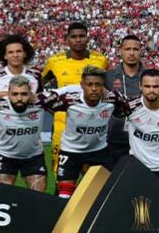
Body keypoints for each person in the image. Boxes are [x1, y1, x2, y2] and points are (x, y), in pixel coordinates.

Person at [41, 66, 127, 199]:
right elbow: (43, 102)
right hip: (71, 151)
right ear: (81, 85)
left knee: (109, 192)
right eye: (89, 84)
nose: (93, 88)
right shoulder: (69, 100)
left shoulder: (112, 99)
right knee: (64, 194)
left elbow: (126, 109)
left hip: (99, 151)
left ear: (103, 85)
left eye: (98, 85)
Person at [42, 22, 109, 174]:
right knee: (62, 176)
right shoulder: (54, 62)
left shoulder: (101, 60)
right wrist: (52, 106)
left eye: (81, 36)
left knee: (91, 177)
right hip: (63, 127)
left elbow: (107, 86)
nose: (78, 40)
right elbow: (42, 84)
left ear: (87, 38)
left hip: (91, 127)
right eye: (74, 37)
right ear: (67, 39)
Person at [0, 76, 47, 192]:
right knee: (3, 198)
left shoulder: (40, 103)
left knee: (38, 198)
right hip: (5, 156)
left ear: (30, 93)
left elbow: (70, 90)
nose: (19, 98)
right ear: (8, 94)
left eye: (24, 94)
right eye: (15, 94)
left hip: (33, 157)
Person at [0, 34, 42, 146]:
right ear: (5, 56)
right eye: (10, 52)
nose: (15, 55)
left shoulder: (35, 76)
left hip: (30, 135)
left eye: (18, 51)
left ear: (25, 53)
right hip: (3, 139)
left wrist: (35, 97)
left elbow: (42, 102)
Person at [104, 34, 146, 164]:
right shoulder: (108, 77)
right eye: (127, 49)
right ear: (120, 51)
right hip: (115, 139)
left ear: (141, 51)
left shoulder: (150, 75)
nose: (131, 53)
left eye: (135, 49)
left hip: (144, 139)